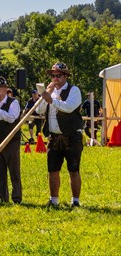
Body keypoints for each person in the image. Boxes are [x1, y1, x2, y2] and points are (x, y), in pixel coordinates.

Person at [36, 62, 84, 207]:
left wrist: (52, 100)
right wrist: (46, 96)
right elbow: (39, 110)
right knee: (52, 170)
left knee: (73, 170)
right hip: (54, 136)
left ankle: (75, 200)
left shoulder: (74, 90)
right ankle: (54, 200)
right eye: (53, 75)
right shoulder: (50, 91)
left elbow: (69, 107)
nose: (55, 78)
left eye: (58, 75)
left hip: (72, 136)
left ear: (65, 76)